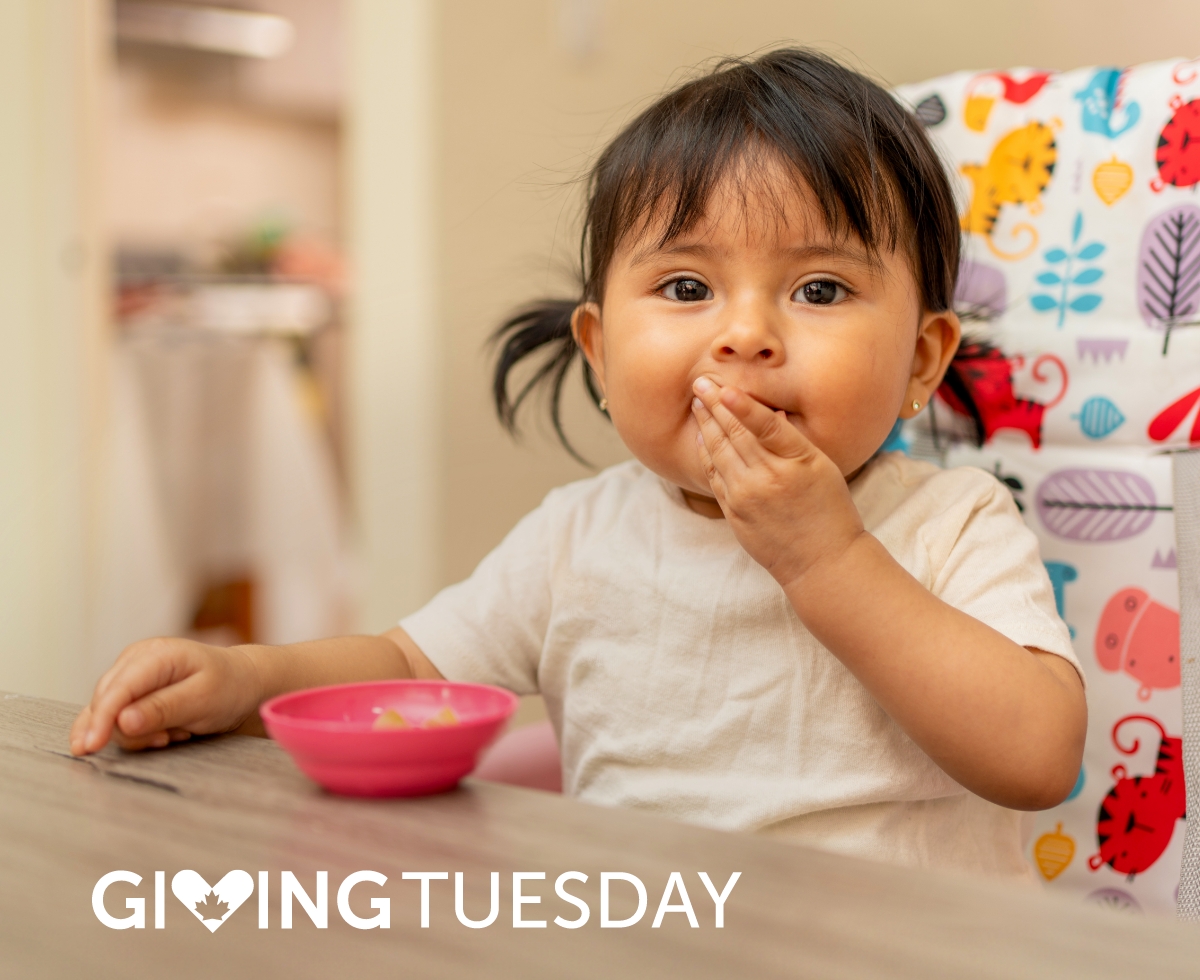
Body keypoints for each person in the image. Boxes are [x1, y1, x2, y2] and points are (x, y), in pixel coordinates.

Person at [71, 48, 1086, 879]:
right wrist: (248, 674)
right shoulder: (579, 537)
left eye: (819, 291)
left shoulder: (949, 520)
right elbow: (411, 668)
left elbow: (1038, 756)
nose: (744, 333)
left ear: (920, 359)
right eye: (687, 286)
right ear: (600, 351)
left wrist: (828, 561)